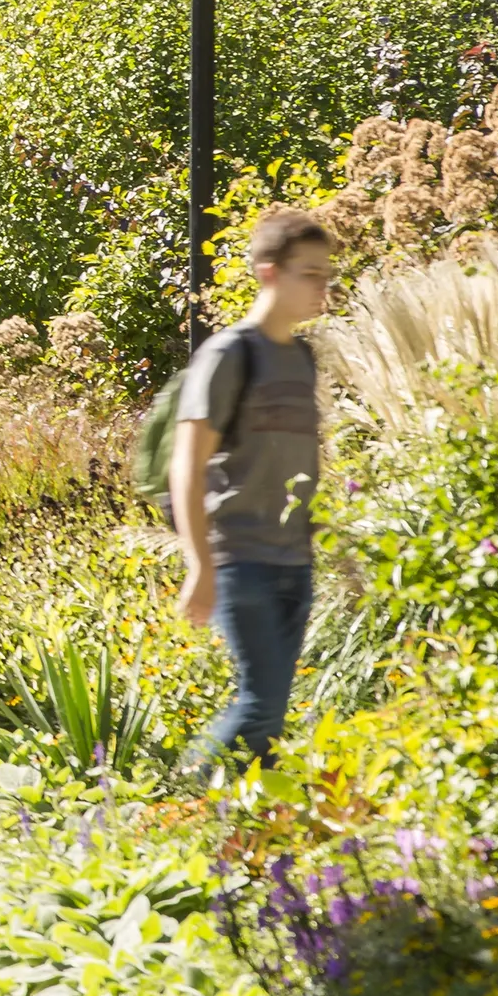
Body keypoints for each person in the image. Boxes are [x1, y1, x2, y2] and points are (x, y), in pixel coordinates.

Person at [172, 206, 336, 770]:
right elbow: (186, 464)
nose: (323, 286)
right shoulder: (228, 354)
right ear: (270, 272)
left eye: (326, 273)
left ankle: (247, 840)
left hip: (295, 560)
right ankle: (173, 804)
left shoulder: (303, 359)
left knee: (270, 719)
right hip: (242, 561)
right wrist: (201, 564)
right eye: (309, 273)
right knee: (261, 706)